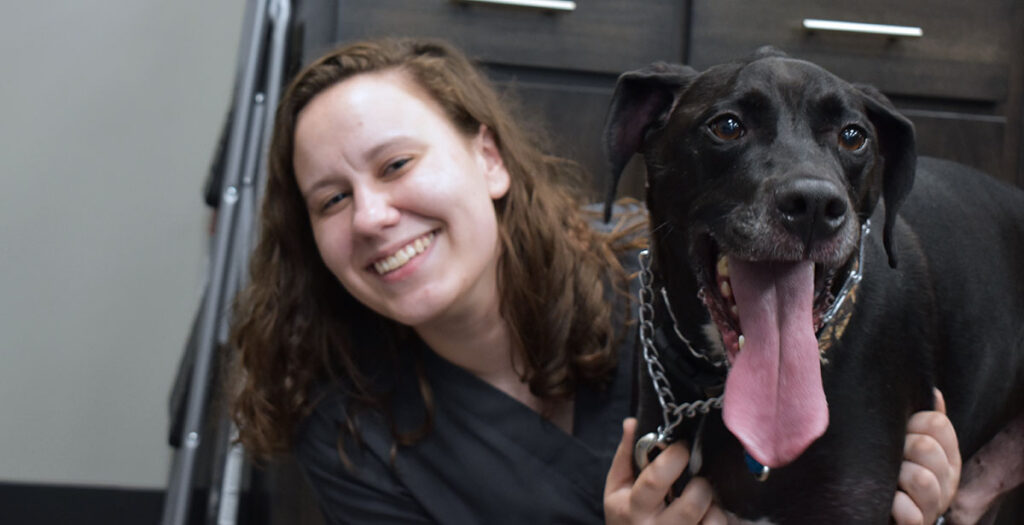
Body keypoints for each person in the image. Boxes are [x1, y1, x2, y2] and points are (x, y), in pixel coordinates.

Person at [229, 37, 961, 524]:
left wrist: (909, 490)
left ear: (488, 158)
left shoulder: (671, 284)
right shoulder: (348, 431)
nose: (372, 215)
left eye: (395, 165)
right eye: (332, 199)